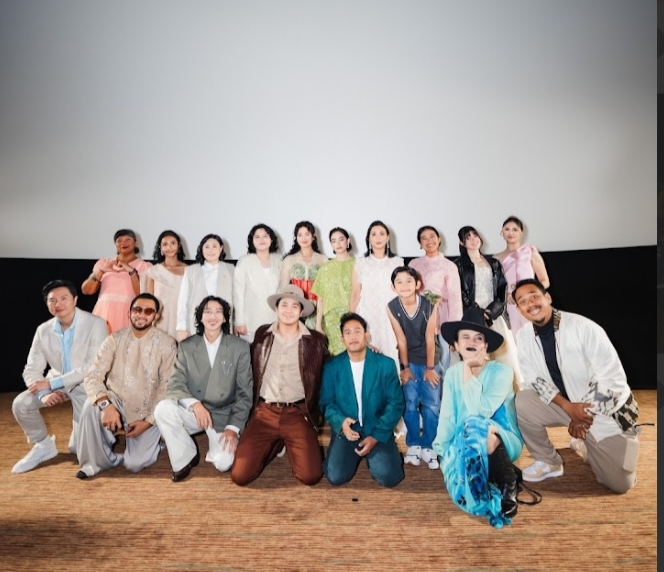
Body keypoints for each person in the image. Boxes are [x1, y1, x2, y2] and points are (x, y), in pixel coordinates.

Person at [513, 279, 640, 493]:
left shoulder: (583, 327)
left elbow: (612, 379)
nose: (530, 304)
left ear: (547, 297)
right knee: (522, 402)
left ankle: (586, 445)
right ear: (519, 310)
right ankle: (548, 461)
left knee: (620, 485)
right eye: (523, 301)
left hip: (603, 412)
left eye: (534, 296)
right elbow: (534, 380)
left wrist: (582, 417)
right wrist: (568, 407)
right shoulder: (524, 336)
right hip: (567, 407)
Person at [433, 308, 523, 528]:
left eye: (478, 338)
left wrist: (467, 368)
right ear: (456, 345)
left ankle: (508, 480)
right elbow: (448, 415)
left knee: (476, 426)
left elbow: (479, 412)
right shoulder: (452, 374)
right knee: (458, 472)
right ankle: (491, 476)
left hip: (500, 439)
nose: (471, 342)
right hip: (466, 440)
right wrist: (442, 451)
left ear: (486, 345)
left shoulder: (502, 372)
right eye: (465, 337)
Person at [230, 284, 328, 486]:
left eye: (295, 306)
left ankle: (285, 441)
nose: (289, 310)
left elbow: (331, 369)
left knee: (310, 476)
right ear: (276, 309)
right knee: (240, 476)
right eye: (284, 305)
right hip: (264, 412)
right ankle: (274, 444)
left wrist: (363, 351)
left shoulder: (316, 341)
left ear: (302, 311)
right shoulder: (262, 335)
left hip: (298, 413)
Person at [11, 280, 109, 474]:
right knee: (21, 404)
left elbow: (92, 367)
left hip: (86, 385)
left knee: (78, 450)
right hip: (55, 383)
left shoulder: (96, 324)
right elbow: (31, 369)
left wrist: (51, 383)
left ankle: (101, 435)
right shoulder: (43, 330)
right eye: (52, 300)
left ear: (75, 299)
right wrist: (43, 394)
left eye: (64, 298)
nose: (58, 304)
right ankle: (43, 445)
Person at [76, 293, 176, 479]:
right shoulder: (114, 339)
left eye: (148, 311)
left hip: (148, 410)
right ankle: (95, 463)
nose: (141, 315)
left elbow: (168, 387)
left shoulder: (167, 344)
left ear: (156, 316)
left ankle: (157, 441)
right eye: (137, 310)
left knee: (134, 465)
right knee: (91, 405)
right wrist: (106, 405)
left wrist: (148, 422)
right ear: (129, 313)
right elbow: (92, 376)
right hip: (116, 402)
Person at [154, 296, 253, 482]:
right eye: (207, 312)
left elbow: (245, 394)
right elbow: (175, 383)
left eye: (218, 312)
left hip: (223, 415)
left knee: (224, 463)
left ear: (225, 318)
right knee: (162, 409)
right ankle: (185, 456)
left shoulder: (239, 347)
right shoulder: (187, 346)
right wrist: (195, 404)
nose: (213, 316)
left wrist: (233, 428)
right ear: (200, 317)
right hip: (196, 412)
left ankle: (219, 444)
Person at [320, 313, 405, 487]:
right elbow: (326, 402)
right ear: (342, 339)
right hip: (348, 430)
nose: (353, 336)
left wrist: (376, 436)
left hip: (377, 428)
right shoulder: (332, 367)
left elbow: (396, 403)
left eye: (357, 331)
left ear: (366, 335)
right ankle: (350, 453)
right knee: (335, 476)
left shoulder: (385, 364)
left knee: (389, 477)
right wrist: (341, 422)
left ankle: (384, 452)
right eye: (348, 332)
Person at [387, 266, 442, 469]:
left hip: (429, 360)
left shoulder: (429, 305)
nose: (404, 285)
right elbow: (401, 340)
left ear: (418, 284)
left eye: (409, 281)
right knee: (409, 404)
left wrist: (430, 368)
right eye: (399, 282)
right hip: (408, 360)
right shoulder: (391, 307)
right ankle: (413, 444)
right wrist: (405, 368)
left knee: (431, 404)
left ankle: (429, 444)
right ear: (393, 287)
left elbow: (430, 339)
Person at [455, 225, 522, 388]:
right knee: (480, 359)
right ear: (462, 243)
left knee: (505, 354)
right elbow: (460, 293)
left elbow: (501, 289)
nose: (473, 239)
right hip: (473, 318)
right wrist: (476, 314)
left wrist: (491, 312)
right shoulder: (458, 265)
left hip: (494, 315)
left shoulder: (493, 262)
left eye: (475, 235)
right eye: (468, 237)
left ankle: (511, 393)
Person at [408, 225, 463, 374]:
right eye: (424, 238)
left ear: (439, 239)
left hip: (442, 319)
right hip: (418, 320)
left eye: (432, 236)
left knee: (443, 361)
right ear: (420, 243)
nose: (429, 240)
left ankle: (443, 389)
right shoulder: (413, 264)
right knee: (422, 362)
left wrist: (453, 330)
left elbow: (455, 299)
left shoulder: (449, 266)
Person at [350, 220, 404, 369]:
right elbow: (355, 293)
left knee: (390, 355)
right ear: (368, 238)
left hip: (390, 316)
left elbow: (402, 292)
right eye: (373, 234)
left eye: (381, 234)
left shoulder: (397, 262)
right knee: (368, 358)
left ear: (388, 237)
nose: (378, 237)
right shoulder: (360, 263)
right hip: (367, 314)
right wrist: (352, 320)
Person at [81, 229, 152, 332]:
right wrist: (101, 271)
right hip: (103, 311)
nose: (123, 243)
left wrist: (132, 272)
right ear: (115, 244)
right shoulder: (104, 263)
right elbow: (86, 290)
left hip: (128, 312)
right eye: (119, 240)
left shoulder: (144, 266)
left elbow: (142, 296)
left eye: (128, 239)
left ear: (136, 242)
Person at [493, 216, 550, 338]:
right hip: (509, 304)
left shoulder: (530, 252)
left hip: (530, 303)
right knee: (514, 338)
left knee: (533, 337)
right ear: (502, 232)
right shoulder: (496, 258)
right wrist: (505, 295)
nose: (511, 233)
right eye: (507, 229)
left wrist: (529, 294)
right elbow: (495, 286)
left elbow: (545, 281)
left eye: (515, 229)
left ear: (521, 233)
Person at [176, 233, 234, 341]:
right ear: (201, 249)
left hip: (224, 321)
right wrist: (181, 327)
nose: (210, 250)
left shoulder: (231, 270)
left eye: (214, 246)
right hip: (196, 322)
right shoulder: (191, 271)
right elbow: (183, 300)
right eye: (207, 247)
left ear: (221, 248)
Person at [233, 223, 282, 343]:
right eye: (257, 237)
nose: (261, 239)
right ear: (252, 240)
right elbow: (238, 293)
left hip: (276, 320)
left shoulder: (280, 260)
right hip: (250, 321)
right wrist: (239, 321)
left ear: (271, 239)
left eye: (265, 236)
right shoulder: (244, 261)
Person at [312, 227, 355, 355]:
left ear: (348, 241)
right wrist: (318, 325)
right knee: (334, 358)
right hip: (330, 321)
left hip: (352, 316)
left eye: (341, 239)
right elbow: (320, 298)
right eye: (334, 241)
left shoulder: (358, 265)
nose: (338, 244)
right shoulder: (325, 268)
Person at [279, 221, 328, 330]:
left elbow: (325, 292)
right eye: (300, 235)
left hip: (318, 309)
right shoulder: (289, 260)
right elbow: (283, 289)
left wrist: (319, 323)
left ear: (313, 237)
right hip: (295, 308)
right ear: (296, 238)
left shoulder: (323, 260)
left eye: (307, 234)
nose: (303, 238)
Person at [144, 230, 187, 339]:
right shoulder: (153, 271)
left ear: (179, 245)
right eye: (165, 244)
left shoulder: (189, 270)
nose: (169, 247)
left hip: (182, 318)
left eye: (173, 243)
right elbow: (149, 300)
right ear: (160, 248)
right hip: (161, 318)